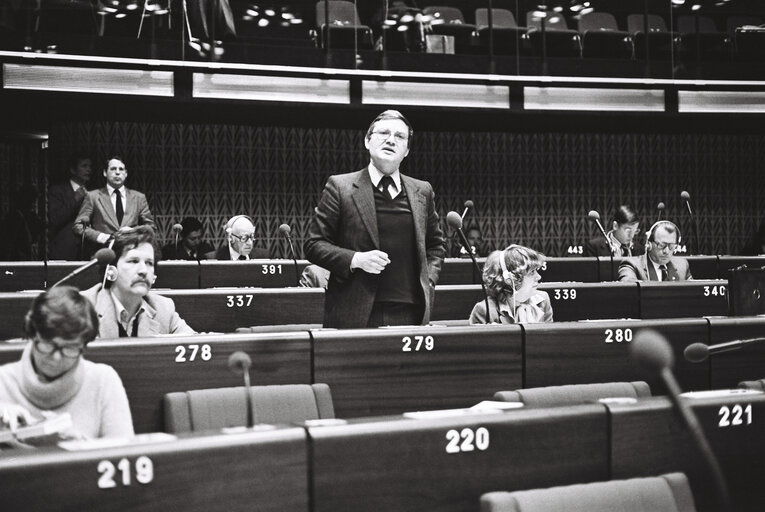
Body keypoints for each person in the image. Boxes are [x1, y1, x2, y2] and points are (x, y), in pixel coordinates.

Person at [305, 109, 446, 328]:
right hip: (354, 312)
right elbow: (314, 244)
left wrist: (428, 281)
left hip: (410, 313)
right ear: (367, 141)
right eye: (383, 133)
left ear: (407, 150)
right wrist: (356, 259)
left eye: (400, 137)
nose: (391, 140)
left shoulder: (422, 191)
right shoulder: (340, 187)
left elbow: (436, 246)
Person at [0, 286, 134, 439]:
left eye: (69, 348)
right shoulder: (2, 381)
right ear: (32, 335)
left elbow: (122, 455)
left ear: (83, 346)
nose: (56, 357)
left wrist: (82, 447)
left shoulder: (104, 381)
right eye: (48, 344)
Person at [81, 226, 195, 338]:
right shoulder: (81, 308)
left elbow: (196, 343)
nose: (143, 271)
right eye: (133, 261)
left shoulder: (163, 308)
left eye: (149, 263)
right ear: (110, 270)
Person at [73, 156, 155, 256]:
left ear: (126, 174)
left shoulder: (139, 197)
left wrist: (133, 231)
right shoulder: (93, 196)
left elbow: (151, 227)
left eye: (121, 169)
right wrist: (101, 237)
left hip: (130, 254)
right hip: (103, 254)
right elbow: (78, 226)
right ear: (105, 173)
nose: (117, 172)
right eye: (113, 169)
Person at [469, 245, 553, 325]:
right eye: (531, 272)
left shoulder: (543, 300)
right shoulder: (484, 310)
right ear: (510, 279)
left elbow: (550, 339)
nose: (538, 277)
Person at [48, 154, 92, 260]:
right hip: (65, 249)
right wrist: (75, 200)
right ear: (73, 170)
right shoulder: (57, 191)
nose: (89, 170)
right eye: (84, 166)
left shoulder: (94, 192)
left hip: (88, 250)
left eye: (90, 166)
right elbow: (55, 219)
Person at [618, 220, 692, 282]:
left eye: (671, 246)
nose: (666, 251)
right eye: (661, 245)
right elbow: (629, 289)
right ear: (649, 244)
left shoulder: (682, 265)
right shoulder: (631, 265)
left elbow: (695, 293)